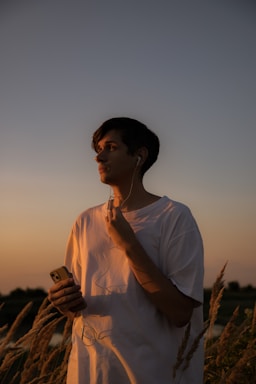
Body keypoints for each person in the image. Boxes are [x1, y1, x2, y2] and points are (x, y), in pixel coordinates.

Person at [48, 117, 204, 384]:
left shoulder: (174, 216)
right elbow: (78, 310)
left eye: (110, 147)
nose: (99, 157)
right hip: (90, 373)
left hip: (154, 374)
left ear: (139, 156)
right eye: (98, 149)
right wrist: (63, 301)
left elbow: (180, 313)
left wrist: (129, 244)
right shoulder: (85, 221)